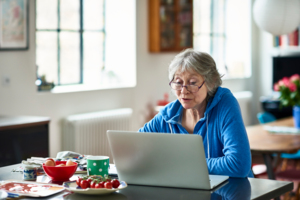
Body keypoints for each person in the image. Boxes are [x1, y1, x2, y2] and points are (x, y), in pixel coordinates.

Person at [139, 48, 253, 178]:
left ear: (212, 82)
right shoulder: (168, 114)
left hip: (232, 192)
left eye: (192, 83)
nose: (184, 91)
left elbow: (238, 164)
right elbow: (135, 148)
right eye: (178, 82)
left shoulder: (225, 104)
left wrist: (181, 165)